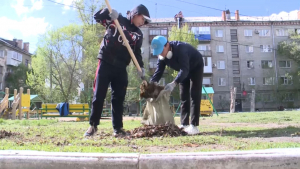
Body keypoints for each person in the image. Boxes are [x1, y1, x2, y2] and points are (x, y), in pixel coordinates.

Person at [84, 4, 151, 137]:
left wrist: (141, 67)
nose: (142, 23)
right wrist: (108, 13)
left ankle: (118, 128)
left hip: (121, 66)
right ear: (136, 13)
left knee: (119, 98)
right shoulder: (117, 19)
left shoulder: (138, 34)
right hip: (106, 61)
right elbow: (97, 17)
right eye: (142, 19)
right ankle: (93, 126)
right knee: (99, 94)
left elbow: (136, 52)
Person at [150, 36, 204, 135]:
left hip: (195, 66)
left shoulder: (181, 49)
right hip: (183, 70)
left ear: (167, 45)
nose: (160, 54)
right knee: (184, 96)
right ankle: (184, 124)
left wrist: (174, 83)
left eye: (161, 50)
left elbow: (185, 70)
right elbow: (158, 72)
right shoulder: (162, 57)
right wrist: (151, 85)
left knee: (194, 95)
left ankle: (194, 125)